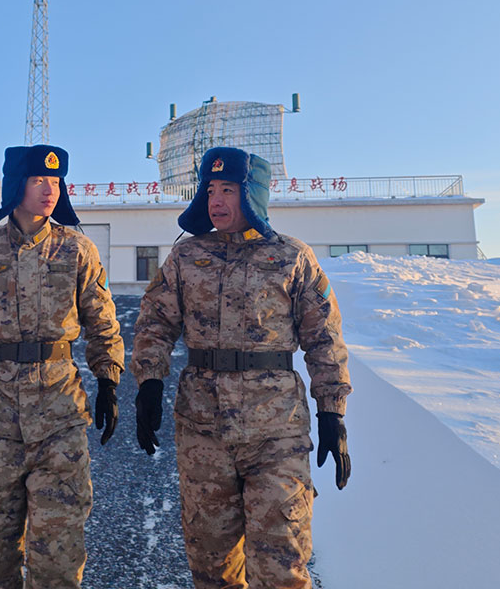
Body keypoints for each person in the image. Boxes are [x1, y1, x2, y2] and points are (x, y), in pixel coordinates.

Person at [130, 146, 352, 589]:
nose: (216, 200)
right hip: (203, 430)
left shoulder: (292, 256)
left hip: (277, 430)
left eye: (227, 190)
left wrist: (332, 411)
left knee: (281, 564)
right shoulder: (186, 256)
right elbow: (155, 322)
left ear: (252, 193)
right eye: (210, 190)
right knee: (211, 565)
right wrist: (149, 382)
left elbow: (324, 338)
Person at [0, 144, 124, 589]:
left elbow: (102, 321)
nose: (49, 190)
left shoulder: (77, 249)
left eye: (55, 182)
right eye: (39, 181)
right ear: (16, 185)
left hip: (59, 413)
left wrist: (108, 381)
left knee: (58, 553)